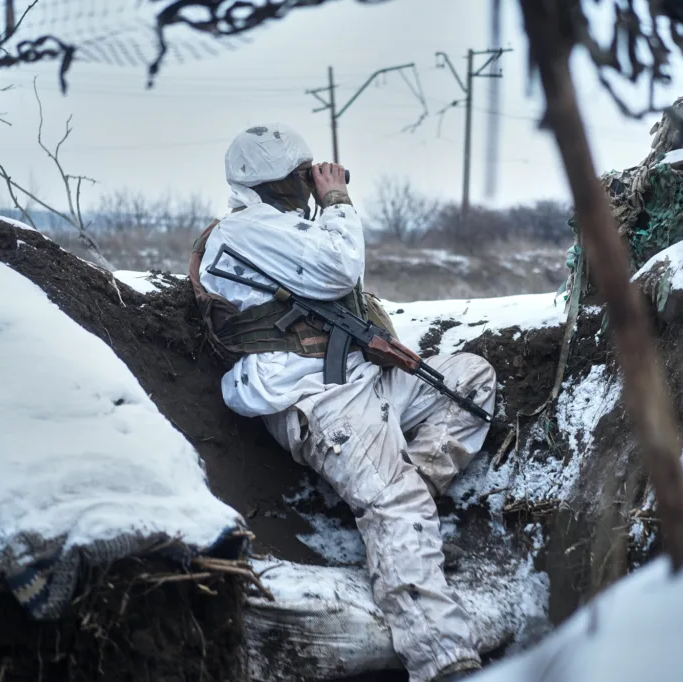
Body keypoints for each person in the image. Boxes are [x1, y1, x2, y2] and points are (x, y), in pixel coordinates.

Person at [188, 123, 497, 682]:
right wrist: (337, 200)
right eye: (301, 175)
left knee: (470, 379)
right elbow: (338, 268)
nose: (313, 182)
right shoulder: (245, 231)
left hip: (359, 379)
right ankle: (443, 658)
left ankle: (401, 517)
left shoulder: (287, 228)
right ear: (271, 183)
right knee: (396, 500)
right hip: (315, 396)